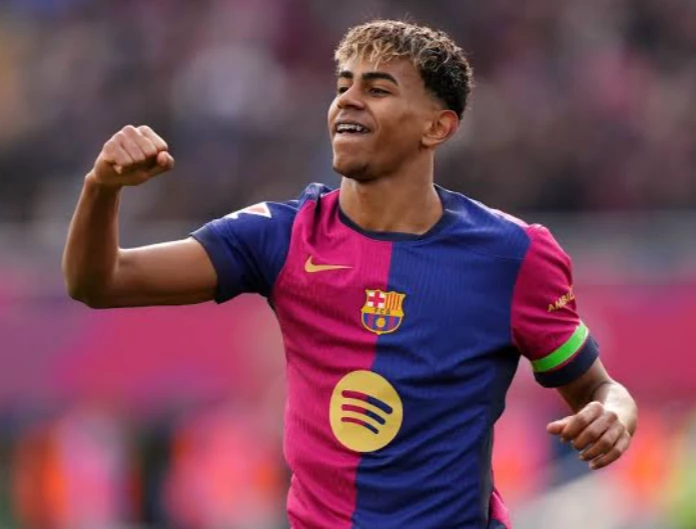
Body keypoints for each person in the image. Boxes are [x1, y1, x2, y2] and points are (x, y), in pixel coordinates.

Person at [62, 19, 638, 529]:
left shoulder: (512, 254)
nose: (348, 102)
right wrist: (101, 188)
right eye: (343, 86)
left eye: (377, 89)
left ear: (437, 127)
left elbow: (599, 388)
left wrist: (613, 415)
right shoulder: (280, 235)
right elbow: (100, 282)